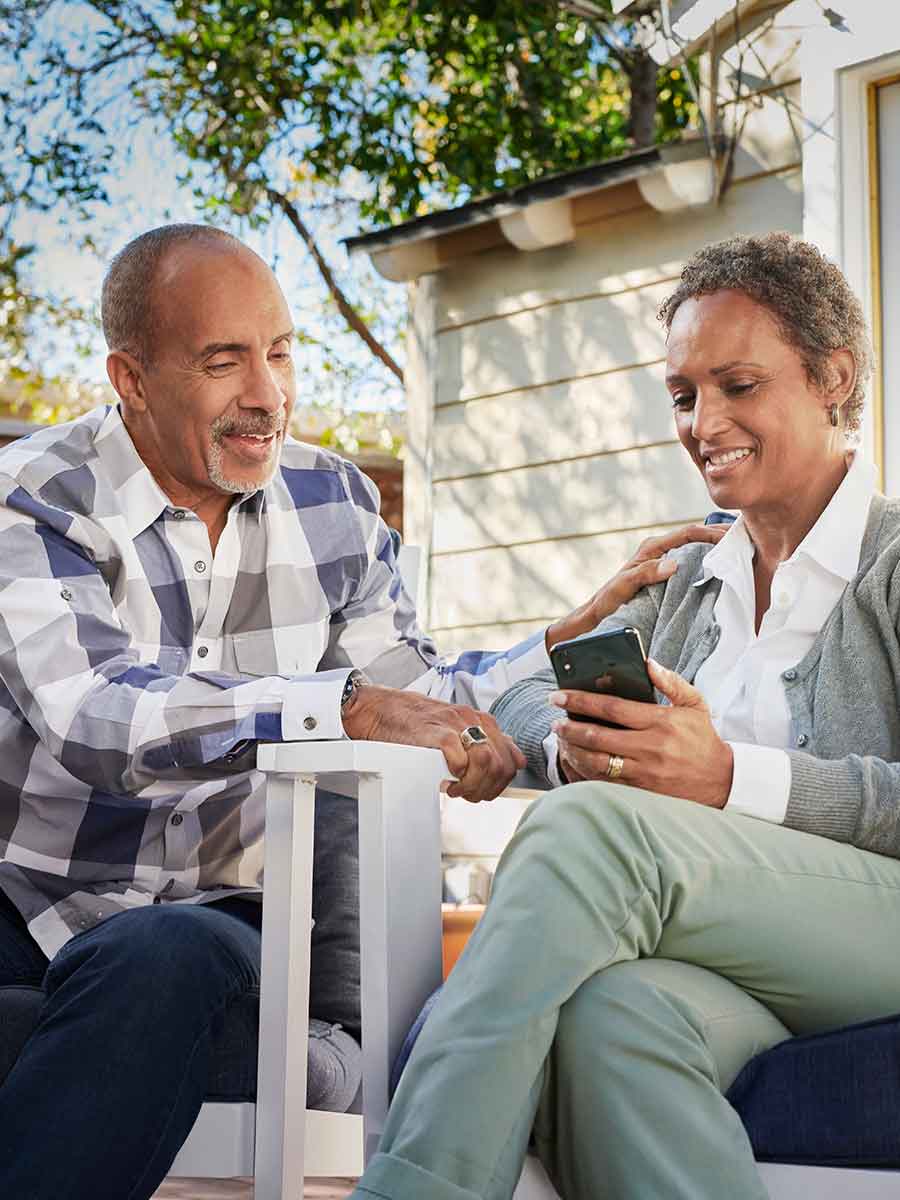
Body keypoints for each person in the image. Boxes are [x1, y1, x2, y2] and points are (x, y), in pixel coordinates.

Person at [0, 223, 721, 1200]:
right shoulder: (38, 499)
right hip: (32, 899)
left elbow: (410, 694)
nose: (268, 394)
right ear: (130, 378)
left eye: (282, 351)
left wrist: (551, 655)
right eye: (225, 361)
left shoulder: (332, 501)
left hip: (214, 918)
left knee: (161, 959)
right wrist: (340, 703)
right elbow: (92, 715)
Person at [349, 231, 900, 1200]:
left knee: (594, 836)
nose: (703, 422)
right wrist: (586, 748)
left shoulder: (890, 563)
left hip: (874, 926)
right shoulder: (691, 574)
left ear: (833, 377)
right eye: (684, 395)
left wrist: (724, 777)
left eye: (737, 385)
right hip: (721, 951)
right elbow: (516, 693)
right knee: (615, 1019)